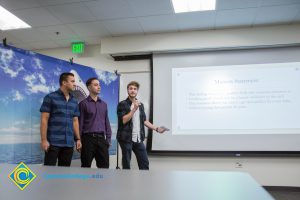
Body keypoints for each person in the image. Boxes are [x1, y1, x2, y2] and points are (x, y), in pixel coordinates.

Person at [117, 81, 166, 170]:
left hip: (138, 138)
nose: (133, 91)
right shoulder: (122, 104)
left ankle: (144, 182)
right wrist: (134, 109)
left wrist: (157, 129)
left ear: (137, 91)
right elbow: (123, 120)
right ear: (127, 90)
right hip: (126, 138)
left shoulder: (141, 105)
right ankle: (125, 182)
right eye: (130, 88)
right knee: (127, 164)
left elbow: (144, 121)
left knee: (144, 163)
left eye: (135, 89)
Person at [40, 72, 81, 166]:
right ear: (64, 82)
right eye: (72, 81)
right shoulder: (50, 97)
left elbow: (75, 121)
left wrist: (78, 139)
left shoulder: (74, 101)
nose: (75, 84)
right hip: (53, 143)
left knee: (64, 174)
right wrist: (43, 140)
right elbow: (44, 120)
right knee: (48, 173)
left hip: (69, 144)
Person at [79, 78, 112, 168]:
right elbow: (80, 124)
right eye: (96, 85)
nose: (99, 87)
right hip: (87, 140)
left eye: (99, 85)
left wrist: (108, 139)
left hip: (102, 140)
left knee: (105, 167)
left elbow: (106, 122)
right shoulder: (83, 104)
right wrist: (78, 140)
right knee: (85, 167)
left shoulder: (104, 104)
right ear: (89, 87)